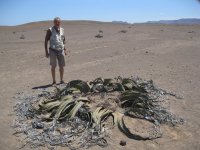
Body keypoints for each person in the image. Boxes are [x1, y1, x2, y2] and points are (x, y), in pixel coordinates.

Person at [44, 17, 67, 85]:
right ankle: (54, 81)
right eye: (56, 22)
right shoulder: (50, 30)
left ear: (60, 22)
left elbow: (63, 40)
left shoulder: (62, 30)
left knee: (62, 66)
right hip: (53, 50)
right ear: (54, 22)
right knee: (53, 66)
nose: (57, 23)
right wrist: (46, 52)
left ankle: (62, 80)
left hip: (61, 50)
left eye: (59, 22)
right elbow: (45, 41)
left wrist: (65, 49)